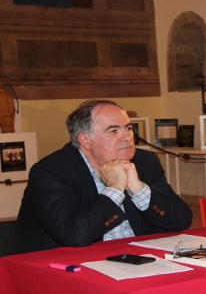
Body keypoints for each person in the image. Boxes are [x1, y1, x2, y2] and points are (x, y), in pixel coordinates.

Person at [11, 100, 192, 254]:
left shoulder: (144, 162)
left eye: (128, 128)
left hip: (134, 258)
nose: (127, 137)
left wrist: (138, 188)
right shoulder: (51, 172)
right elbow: (75, 235)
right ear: (85, 140)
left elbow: (181, 221)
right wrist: (114, 189)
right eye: (113, 131)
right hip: (67, 268)